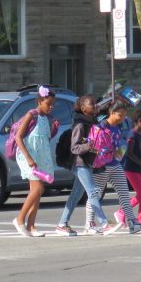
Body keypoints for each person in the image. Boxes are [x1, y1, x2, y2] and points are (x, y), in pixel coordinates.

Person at [54, 95, 117, 236]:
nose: (95, 106)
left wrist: (108, 104)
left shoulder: (91, 121)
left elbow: (101, 112)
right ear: (83, 108)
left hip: (87, 162)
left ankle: (62, 224)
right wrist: (89, 146)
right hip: (79, 162)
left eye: (95, 103)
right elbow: (74, 148)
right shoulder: (80, 125)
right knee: (93, 191)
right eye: (92, 104)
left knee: (76, 195)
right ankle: (104, 224)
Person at [84, 103, 141, 234]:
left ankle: (133, 223)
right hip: (101, 166)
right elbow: (92, 146)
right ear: (111, 113)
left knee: (124, 194)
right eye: (120, 115)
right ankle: (89, 224)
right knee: (96, 195)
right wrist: (102, 155)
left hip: (115, 164)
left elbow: (117, 147)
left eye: (124, 116)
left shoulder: (117, 128)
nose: (122, 118)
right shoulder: (100, 127)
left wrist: (118, 152)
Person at [12, 86, 59, 237]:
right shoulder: (31, 115)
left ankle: (31, 225)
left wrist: (54, 129)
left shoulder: (46, 119)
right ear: (39, 102)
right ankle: (19, 219)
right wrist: (29, 158)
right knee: (37, 188)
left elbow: (43, 140)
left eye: (53, 104)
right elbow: (18, 137)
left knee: (38, 191)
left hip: (40, 158)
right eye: (48, 104)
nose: (51, 107)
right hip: (28, 157)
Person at [123, 109, 141, 228]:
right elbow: (129, 153)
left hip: (140, 169)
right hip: (131, 169)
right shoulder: (132, 134)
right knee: (140, 195)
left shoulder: (140, 135)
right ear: (139, 121)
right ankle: (122, 212)